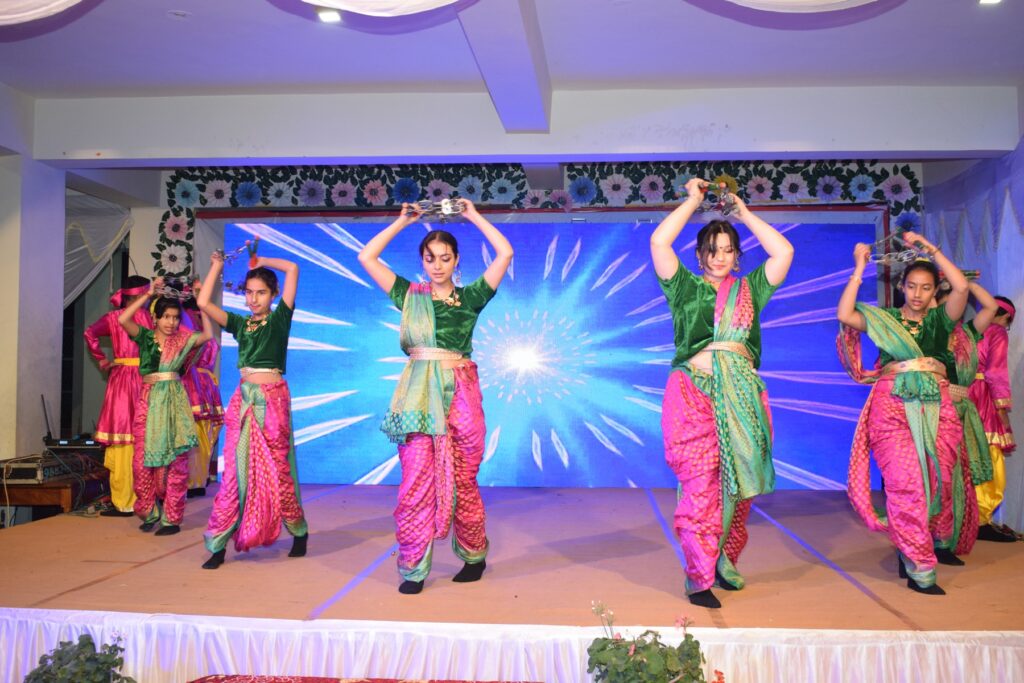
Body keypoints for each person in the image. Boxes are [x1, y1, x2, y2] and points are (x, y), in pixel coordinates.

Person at [650, 177, 793, 609]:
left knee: (737, 485)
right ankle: (698, 576)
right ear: (699, 255)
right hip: (693, 395)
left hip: (741, 397)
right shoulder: (684, 288)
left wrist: (743, 212)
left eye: (728, 249)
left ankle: (722, 558)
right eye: (712, 249)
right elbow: (659, 242)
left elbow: (783, 252)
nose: (719, 257)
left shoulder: (750, 289)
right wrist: (693, 201)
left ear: (736, 254)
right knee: (701, 486)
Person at [357, 198, 513, 594]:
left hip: (460, 395)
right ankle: (413, 568)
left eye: (445, 258)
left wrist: (472, 215)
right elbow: (367, 256)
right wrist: (401, 222)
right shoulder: (410, 296)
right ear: (423, 262)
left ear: (456, 260)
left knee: (463, 479)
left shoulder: (470, 298)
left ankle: (474, 556)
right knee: (415, 482)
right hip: (418, 399)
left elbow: (505, 253)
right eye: (430, 258)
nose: (438, 265)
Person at [837, 231, 968, 594]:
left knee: (937, 483)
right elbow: (845, 313)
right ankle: (920, 568)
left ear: (935, 290)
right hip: (892, 406)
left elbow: (961, 287)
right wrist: (859, 267)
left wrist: (930, 250)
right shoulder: (886, 320)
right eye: (911, 286)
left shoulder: (941, 321)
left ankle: (909, 542)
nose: (917, 294)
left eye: (925, 288)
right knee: (906, 484)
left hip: (937, 406)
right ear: (901, 287)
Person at [198, 252, 308, 569]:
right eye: (248, 292)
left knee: (279, 472)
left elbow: (293, 267)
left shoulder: (279, 319)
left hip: (272, 401)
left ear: (273, 294)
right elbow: (203, 302)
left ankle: (298, 531)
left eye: (261, 292)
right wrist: (216, 266)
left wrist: (262, 261)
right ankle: (218, 545)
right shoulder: (241, 324)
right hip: (244, 400)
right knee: (233, 474)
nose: (253, 299)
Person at [118, 280, 212, 535]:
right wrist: (148, 294)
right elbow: (124, 319)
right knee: (141, 463)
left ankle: (172, 518)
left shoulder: (182, 339)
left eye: (175, 317)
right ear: (155, 318)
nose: (171, 322)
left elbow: (208, 335)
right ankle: (149, 511)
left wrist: (200, 300)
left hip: (174, 403)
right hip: (148, 402)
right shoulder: (146, 338)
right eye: (166, 317)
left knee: (176, 463)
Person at [84, 276, 153, 516]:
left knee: (123, 439)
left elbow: (89, 333)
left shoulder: (114, 318)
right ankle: (146, 498)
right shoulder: (151, 318)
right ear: (142, 294)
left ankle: (125, 501)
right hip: (146, 379)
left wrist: (102, 360)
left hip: (123, 379)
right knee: (143, 439)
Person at [971, 294, 1018, 541]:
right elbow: (995, 372)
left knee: (970, 458)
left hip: (963, 397)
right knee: (990, 460)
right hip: (983, 398)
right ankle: (980, 520)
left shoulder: (968, 329)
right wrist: (1002, 409)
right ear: (1005, 316)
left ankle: (968, 518)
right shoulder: (997, 332)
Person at [182, 294, 224, 498]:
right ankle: (198, 480)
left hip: (193, 384)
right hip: (206, 386)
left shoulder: (191, 336)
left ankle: (193, 481)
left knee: (196, 432)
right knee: (202, 433)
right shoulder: (209, 337)